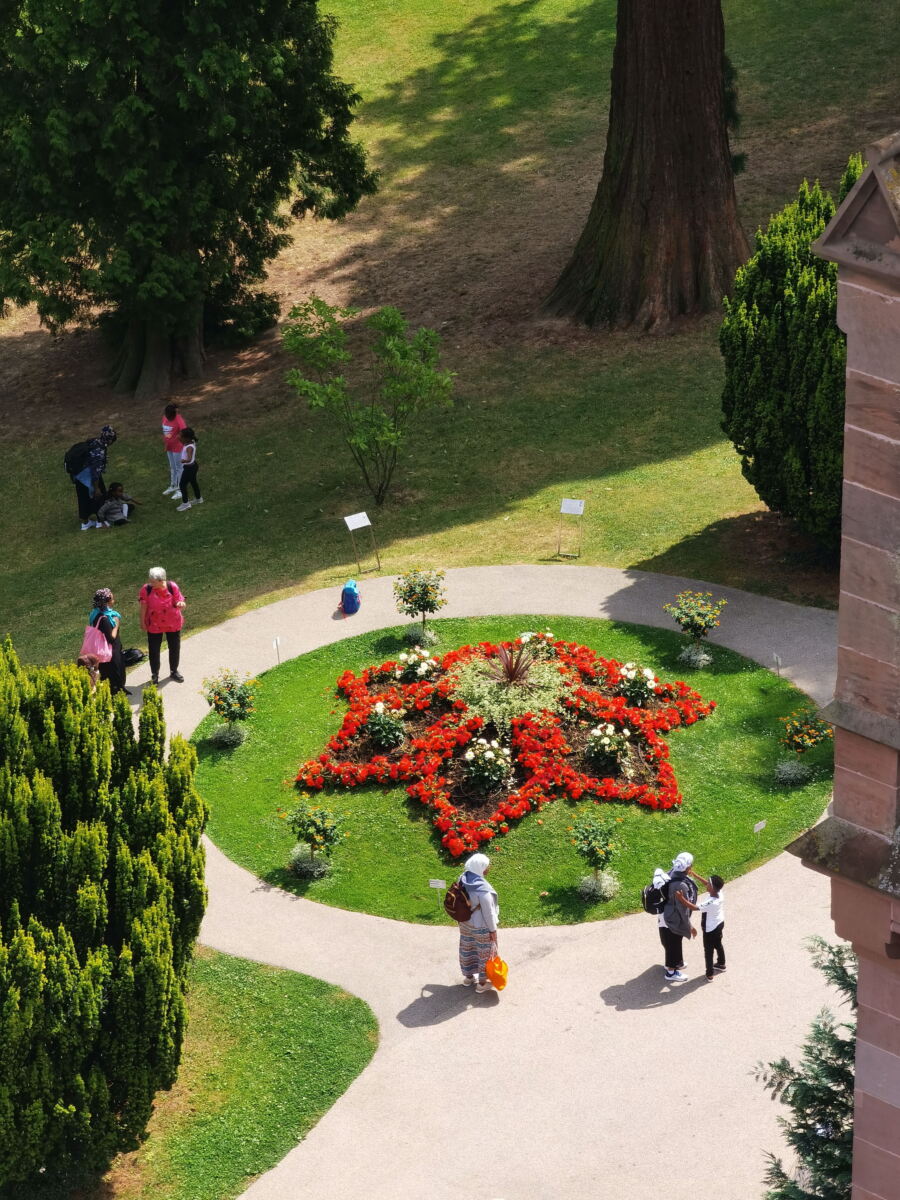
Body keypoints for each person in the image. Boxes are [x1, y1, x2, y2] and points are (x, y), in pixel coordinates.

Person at [456, 853, 500, 993]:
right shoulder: (482, 889)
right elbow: (489, 912)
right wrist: (493, 930)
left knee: (467, 949)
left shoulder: (462, 879)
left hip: (464, 923)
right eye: (486, 866)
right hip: (481, 927)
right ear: (479, 868)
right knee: (484, 955)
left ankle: (468, 978)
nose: (488, 868)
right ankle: (481, 984)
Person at [139, 567, 186, 685]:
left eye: (153, 582)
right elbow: (143, 607)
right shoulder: (146, 589)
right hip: (154, 625)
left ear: (161, 580)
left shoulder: (172, 586)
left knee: (174, 648)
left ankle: (174, 671)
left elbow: (180, 601)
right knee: (154, 650)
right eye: (150, 580)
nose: (151, 583)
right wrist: (142, 621)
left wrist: (181, 604)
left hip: (173, 623)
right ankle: (155, 674)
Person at [659, 851, 699, 983]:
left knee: (669, 943)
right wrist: (690, 927)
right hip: (674, 919)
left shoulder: (670, 873)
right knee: (674, 944)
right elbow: (683, 910)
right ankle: (671, 972)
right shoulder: (681, 885)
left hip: (664, 916)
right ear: (687, 867)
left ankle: (674, 963)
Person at [68, 425, 116, 530]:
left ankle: (85, 523)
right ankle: (100, 522)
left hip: (79, 476)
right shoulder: (100, 451)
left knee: (83, 498)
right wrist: (96, 488)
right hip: (88, 476)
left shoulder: (93, 441)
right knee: (99, 497)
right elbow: (95, 472)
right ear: (110, 440)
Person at [88, 587, 128, 695]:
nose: (114, 601)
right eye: (112, 599)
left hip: (104, 653)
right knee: (115, 675)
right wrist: (116, 624)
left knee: (108, 676)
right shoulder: (104, 618)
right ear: (106, 602)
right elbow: (111, 638)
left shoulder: (95, 613)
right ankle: (117, 694)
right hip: (110, 654)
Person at [692, 870, 726, 981]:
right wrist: (696, 875)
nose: (707, 884)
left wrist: (680, 898)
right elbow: (707, 883)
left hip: (710, 929)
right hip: (719, 923)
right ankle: (721, 964)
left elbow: (694, 907)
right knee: (718, 944)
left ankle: (709, 974)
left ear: (712, 887)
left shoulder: (711, 902)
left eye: (709, 884)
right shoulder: (719, 893)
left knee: (708, 951)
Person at [161, 403, 187, 500]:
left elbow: (185, 433)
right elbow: (166, 433)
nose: (167, 417)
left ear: (173, 415)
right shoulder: (164, 418)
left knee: (179, 467)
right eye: (166, 415)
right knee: (172, 467)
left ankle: (180, 489)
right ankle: (173, 485)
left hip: (178, 448)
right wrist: (167, 442)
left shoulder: (179, 420)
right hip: (169, 447)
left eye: (169, 416)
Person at [176, 427, 202, 511]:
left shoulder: (189, 447)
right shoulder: (190, 442)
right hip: (193, 467)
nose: (178, 437)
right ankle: (199, 499)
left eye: (180, 436)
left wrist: (184, 460)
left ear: (186, 438)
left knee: (182, 485)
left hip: (189, 468)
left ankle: (186, 504)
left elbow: (190, 458)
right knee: (193, 482)